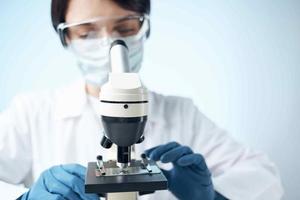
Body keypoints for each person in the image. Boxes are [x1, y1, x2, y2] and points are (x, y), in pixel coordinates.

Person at [0, 0, 284, 199]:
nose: (110, 44)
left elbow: (265, 180)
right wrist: (24, 198)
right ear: (66, 37)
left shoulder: (181, 113)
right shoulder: (31, 113)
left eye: (124, 29)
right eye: (87, 33)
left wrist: (212, 196)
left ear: (144, 27)